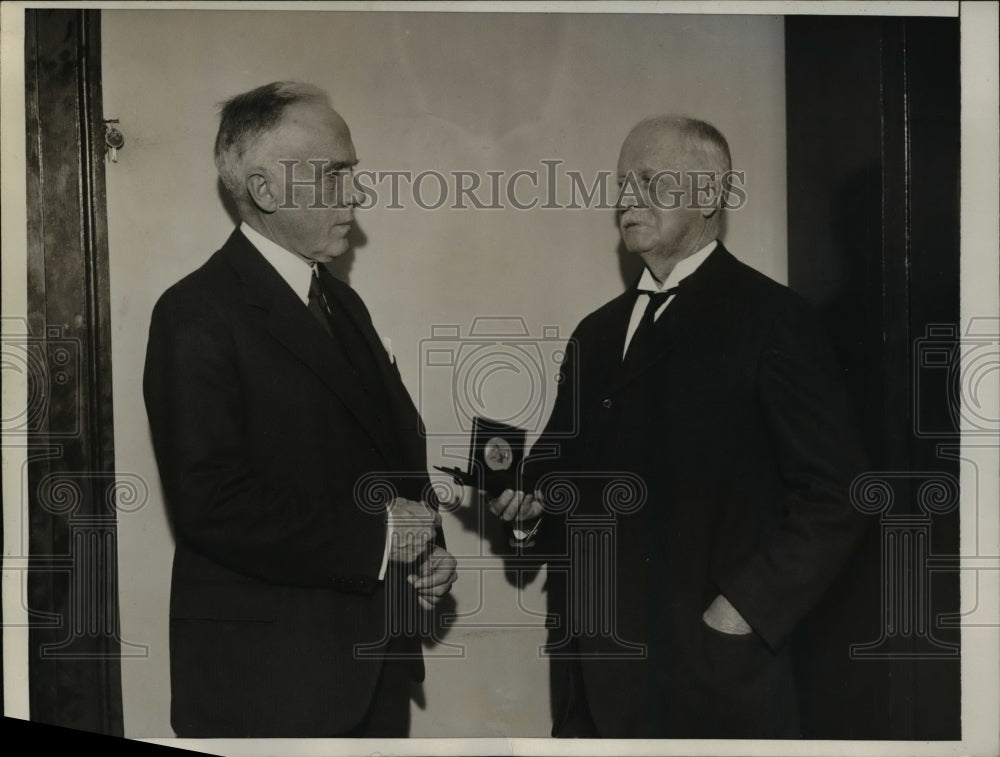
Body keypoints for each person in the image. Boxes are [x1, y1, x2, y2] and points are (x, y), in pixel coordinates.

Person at [489, 116, 870, 738]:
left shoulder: (773, 319)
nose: (626, 199)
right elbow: (556, 468)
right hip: (593, 678)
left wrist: (742, 612)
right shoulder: (598, 332)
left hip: (712, 683)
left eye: (649, 180)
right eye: (620, 184)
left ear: (711, 197)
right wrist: (531, 510)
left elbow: (840, 494)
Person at [143, 81, 457, 738]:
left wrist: (426, 549)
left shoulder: (345, 306)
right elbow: (211, 502)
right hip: (270, 689)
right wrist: (382, 540)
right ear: (264, 189)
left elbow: (389, 449)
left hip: (373, 669)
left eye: (354, 172)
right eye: (334, 174)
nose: (357, 194)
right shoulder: (195, 313)